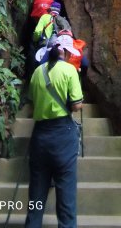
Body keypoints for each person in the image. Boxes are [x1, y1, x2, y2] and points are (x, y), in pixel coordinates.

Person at [25, 35, 83, 228]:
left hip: (40, 136)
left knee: (35, 199)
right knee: (66, 199)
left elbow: (32, 103)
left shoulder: (36, 72)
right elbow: (76, 105)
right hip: (62, 135)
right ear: (65, 52)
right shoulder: (69, 71)